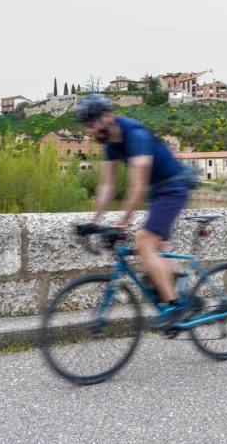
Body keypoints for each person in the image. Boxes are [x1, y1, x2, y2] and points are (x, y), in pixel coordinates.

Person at [77, 93, 197, 330]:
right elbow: (107, 186)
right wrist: (94, 221)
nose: (90, 130)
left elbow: (138, 185)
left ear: (108, 116)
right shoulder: (111, 144)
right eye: (86, 125)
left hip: (174, 186)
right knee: (160, 249)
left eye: (92, 122)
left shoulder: (135, 135)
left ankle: (175, 307)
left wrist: (121, 224)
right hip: (159, 191)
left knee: (143, 244)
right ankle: (185, 298)